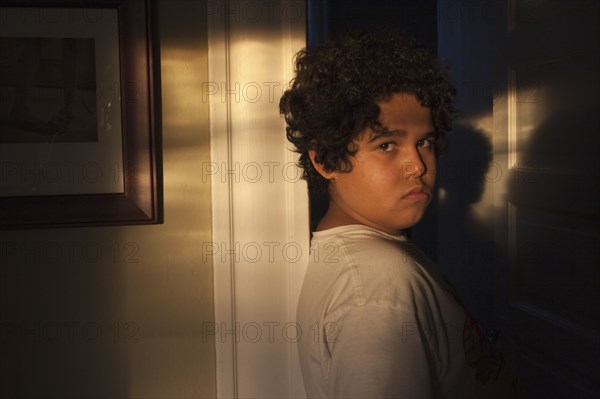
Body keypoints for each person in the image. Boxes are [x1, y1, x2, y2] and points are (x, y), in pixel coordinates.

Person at [279, 31, 524, 398]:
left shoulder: (373, 259)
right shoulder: (378, 284)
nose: (417, 166)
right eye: (387, 144)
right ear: (326, 159)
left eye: (423, 142)